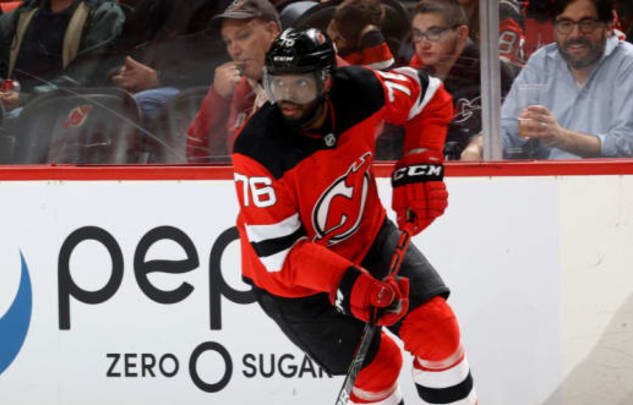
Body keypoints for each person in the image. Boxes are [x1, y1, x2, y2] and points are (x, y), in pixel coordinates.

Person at [232, 27, 478, 405]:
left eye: (301, 84)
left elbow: (428, 95)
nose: (287, 98)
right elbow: (281, 253)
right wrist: (354, 284)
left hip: (368, 240)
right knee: (379, 367)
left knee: (437, 331)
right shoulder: (257, 148)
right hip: (293, 284)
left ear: (327, 80)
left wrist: (421, 161)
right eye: (278, 84)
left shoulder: (361, 89)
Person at [461, 0, 633, 160]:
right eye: (565, 24)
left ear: (609, 26)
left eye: (586, 24)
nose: (575, 35)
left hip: (611, 183)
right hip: (547, 184)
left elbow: (628, 144)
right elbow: (509, 126)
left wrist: (561, 138)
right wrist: (477, 147)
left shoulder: (628, 62)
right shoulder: (542, 61)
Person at [390, 0, 516, 160]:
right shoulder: (415, 76)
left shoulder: (490, 72)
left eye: (434, 32)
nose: (424, 43)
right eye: (417, 34)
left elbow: (505, 133)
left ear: (462, 33)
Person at [104, 0, 233, 130]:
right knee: (103, 101)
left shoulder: (228, 6)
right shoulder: (152, 4)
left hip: (194, 88)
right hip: (150, 82)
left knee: (143, 103)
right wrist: (125, 73)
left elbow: (220, 64)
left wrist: (159, 78)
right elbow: (119, 51)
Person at [186, 0, 281, 162]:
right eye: (228, 42)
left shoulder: (310, 78)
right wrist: (217, 99)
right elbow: (197, 156)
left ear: (272, 31)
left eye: (243, 36)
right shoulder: (240, 89)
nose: (235, 50)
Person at [0, 0, 125, 112]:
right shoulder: (24, 12)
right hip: (12, 104)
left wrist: (25, 99)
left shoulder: (103, 14)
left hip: (62, 111)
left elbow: (82, 77)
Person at [326, 0, 395, 70]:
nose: (332, 37)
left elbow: (383, 70)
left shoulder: (359, 58)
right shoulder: (330, 17)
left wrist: (373, 36)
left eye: (340, 39)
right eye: (332, 28)